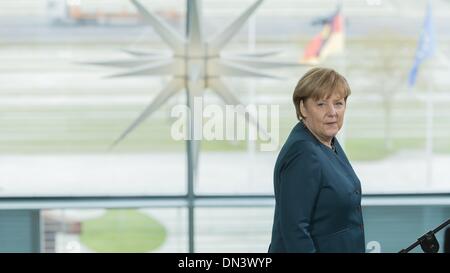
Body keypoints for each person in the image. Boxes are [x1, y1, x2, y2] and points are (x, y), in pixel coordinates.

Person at [268, 67, 365, 253]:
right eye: (321, 104)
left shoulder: (328, 142)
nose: (332, 112)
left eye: (338, 103)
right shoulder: (303, 153)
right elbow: (294, 231)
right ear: (303, 107)